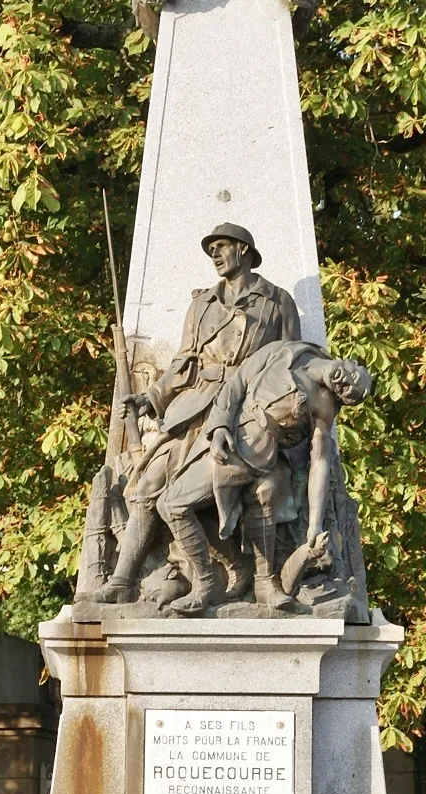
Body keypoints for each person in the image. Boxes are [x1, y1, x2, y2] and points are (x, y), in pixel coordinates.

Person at [94, 224, 300, 603]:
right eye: (211, 251)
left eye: (221, 247)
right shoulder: (202, 304)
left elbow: (291, 367)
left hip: (247, 415)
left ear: (243, 250)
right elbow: (182, 363)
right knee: (145, 486)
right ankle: (123, 580)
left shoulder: (276, 301)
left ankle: (259, 578)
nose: (215, 256)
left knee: (260, 492)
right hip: (197, 409)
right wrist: (152, 397)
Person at [156, 340, 373, 614]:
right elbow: (237, 384)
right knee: (170, 505)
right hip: (226, 442)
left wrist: (314, 526)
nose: (345, 384)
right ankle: (208, 579)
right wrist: (220, 425)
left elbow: (320, 461)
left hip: (260, 458)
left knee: (262, 497)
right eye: (352, 378)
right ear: (351, 363)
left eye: (348, 391)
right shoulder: (285, 350)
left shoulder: (324, 406)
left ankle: (262, 582)